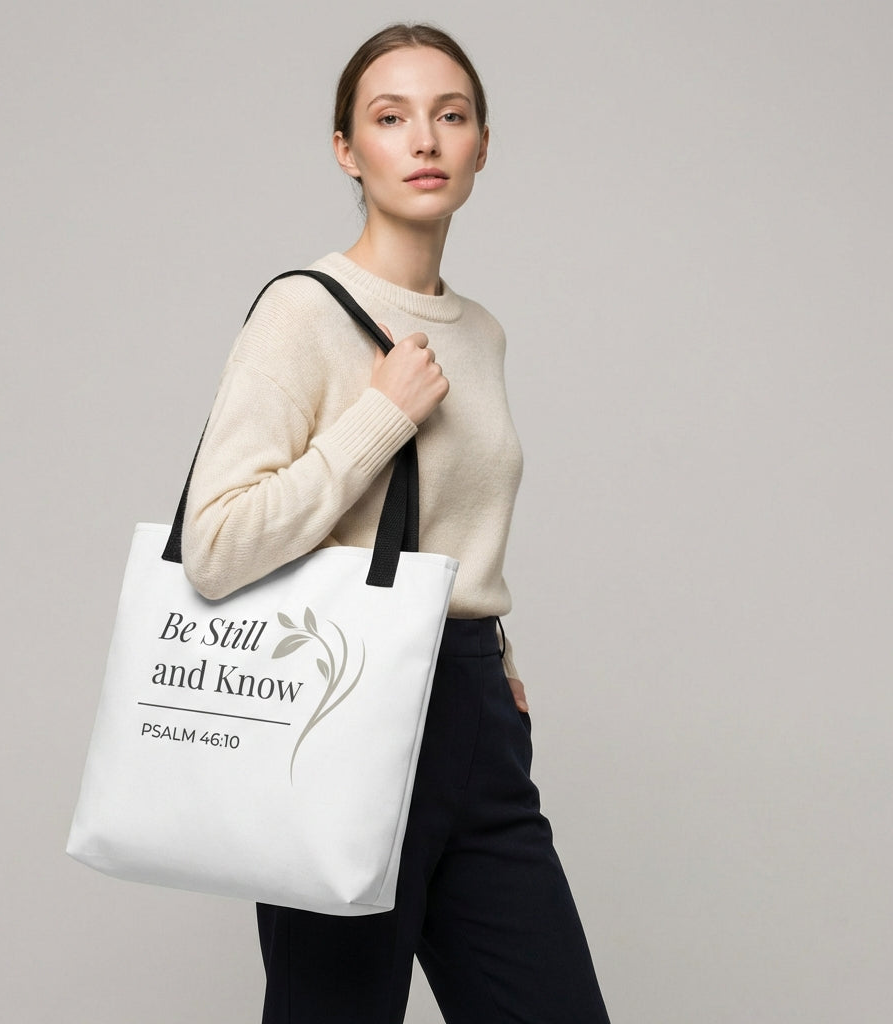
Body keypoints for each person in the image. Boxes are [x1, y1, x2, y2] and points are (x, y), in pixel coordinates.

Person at [182, 23, 611, 1024]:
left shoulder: (482, 332)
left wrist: (489, 658)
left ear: (480, 145)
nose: (423, 139)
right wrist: (379, 415)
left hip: (472, 712)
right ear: (346, 149)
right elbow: (215, 544)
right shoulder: (303, 310)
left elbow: (455, 526)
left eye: (449, 116)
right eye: (390, 117)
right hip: (341, 713)